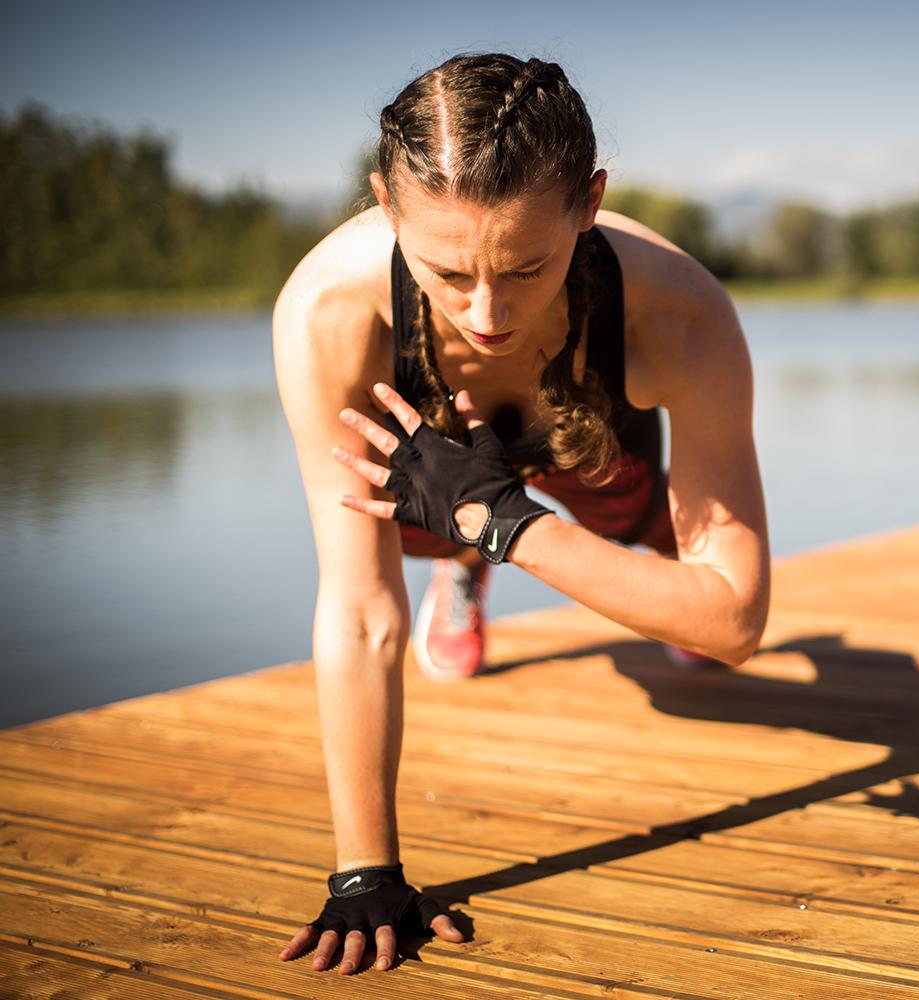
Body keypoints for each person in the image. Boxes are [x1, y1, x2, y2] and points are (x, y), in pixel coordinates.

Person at [270, 52, 770, 975]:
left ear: (590, 204)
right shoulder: (328, 315)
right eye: (449, 273)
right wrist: (363, 873)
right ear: (385, 207)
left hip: (595, 455)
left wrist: (511, 524)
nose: (487, 312)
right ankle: (464, 565)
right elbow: (357, 611)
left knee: (690, 637)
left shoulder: (682, 314)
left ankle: (549, 536)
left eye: (529, 267)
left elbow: (736, 623)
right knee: (406, 503)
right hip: (439, 475)